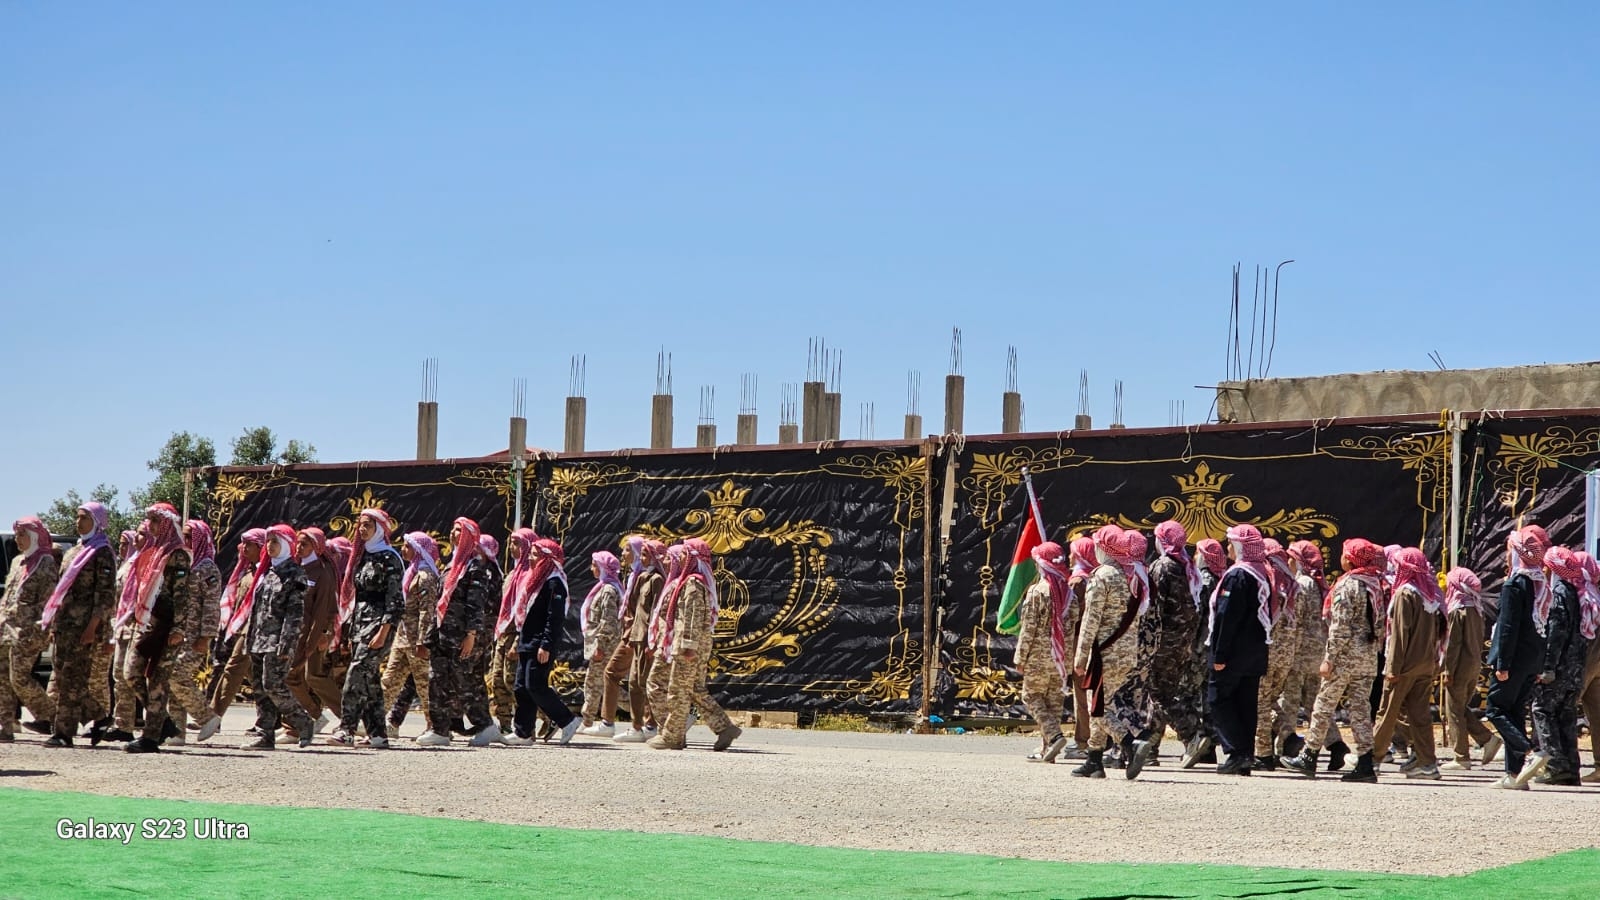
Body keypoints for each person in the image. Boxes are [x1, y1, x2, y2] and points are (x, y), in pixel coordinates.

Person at [1282, 538, 1387, 781]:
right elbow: (1381, 625)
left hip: (1345, 658)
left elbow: (1340, 627)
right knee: (1360, 710)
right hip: (1367, 657)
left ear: (1349, 560)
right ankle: (1366, 762)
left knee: (1323, 705)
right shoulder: (1375, 584)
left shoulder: (1348, 585)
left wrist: (1329, 659)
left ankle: (1309, 755)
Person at [1071, 525, 1156, 779]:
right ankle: (1094, 759)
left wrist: (1080, 657)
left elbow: (1091, 620)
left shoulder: (1102, 576)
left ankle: (1130, 742)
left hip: (1104, 652)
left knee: (1097, 706)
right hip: (1127, 652)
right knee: (1103, 702)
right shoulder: (1132, 575)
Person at [646, 538, 741, 751]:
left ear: (693, 558)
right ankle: (724, 727)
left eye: (683, 554)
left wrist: (688, 645)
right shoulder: (689, 582)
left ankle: (673, 736)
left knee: (678, 689)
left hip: (687, 644)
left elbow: (691, 618)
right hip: (688, 643)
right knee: (693, 688)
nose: (679, 557)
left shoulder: (693, 584)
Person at [40, 502, 118, 747]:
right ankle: (100, 716)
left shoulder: (102, 552)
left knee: (73, 680)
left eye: (84, 517)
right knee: (64, 678)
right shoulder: (74, 551)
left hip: (84, 627)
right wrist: (54, 625)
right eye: (77, 517)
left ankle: (63, 734)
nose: (78, 522)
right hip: (65, 625)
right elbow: (61, 591)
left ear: (97, 521)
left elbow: (105, 595)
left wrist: (93, 627)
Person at [327, 508, 404, 749]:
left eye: (368, 525)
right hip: (361, 625)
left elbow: (395, 601)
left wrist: (383, 632)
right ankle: (378, 734)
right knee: (369, 680)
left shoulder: (389, 558)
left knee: (356, 674)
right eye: (360, 524)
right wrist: (352, 632)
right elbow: (358, 597)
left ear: (380, 528)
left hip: (379, 625)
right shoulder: (363, 556)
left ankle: (347, 729)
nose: (362, 529)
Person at [117, 503, 190, 753]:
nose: (151, 525)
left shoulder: (177, 555)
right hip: (148, 624)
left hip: (168, 627)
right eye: (149, 521)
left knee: (158, 682)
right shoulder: (153, 552)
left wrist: (179, 629)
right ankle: (163, 722)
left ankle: (150, 737)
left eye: (156, 521)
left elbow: (182, 596)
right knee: (131, 673)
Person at [1369, 547, 1444, 780]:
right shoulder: (1429, 595)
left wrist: (1393, 667)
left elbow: (1400, 634)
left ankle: (1371, 758)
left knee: (1387, 712)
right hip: (1425, 664)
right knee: (1420, 716)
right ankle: (1427, 763)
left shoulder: (1405, 593)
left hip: (1405, 666)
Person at [1486, 525, 1550, 790]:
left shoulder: (1515, 584)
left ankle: (1530, 751)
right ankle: (1514, 774)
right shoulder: (1540, 583)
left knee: (1495, 708)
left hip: (1514, 658)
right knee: (1513, 711)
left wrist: (1502, 663)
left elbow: (1508, 627)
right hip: (1532, 659)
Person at [1206, 524, 1273, 776]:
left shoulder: (1238, 575)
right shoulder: (1261, 573)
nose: (1228, 548)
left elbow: (1227, 616)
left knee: (1218, 698)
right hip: (1254, 651)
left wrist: (1219, 654)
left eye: (1231, 543)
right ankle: (1245, 755)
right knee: (1245, 703)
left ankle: (1237, 751)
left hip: (1234, 652)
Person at [417, 518, 488, 747]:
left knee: (461, 683)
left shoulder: (474, 567)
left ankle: (485, 725)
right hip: (441, 633)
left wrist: (471, 635)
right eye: (453, 529)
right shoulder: (451, 565)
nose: (453, 533)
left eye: (459, 530)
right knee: (437, 681)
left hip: (459, 634)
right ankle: (440, 730)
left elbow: (475, 604)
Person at [503, 537, 580, 746]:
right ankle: (523, 732)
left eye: (535, 555)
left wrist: (546, 644)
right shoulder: (537, 581)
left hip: (540, 644)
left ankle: (567, 720)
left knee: (535, 686)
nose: (530, 557)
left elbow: (554, 618)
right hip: (528, 640)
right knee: (521, 687)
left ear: (547, 559)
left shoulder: (554, 583)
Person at [1143, 521, 1208, 763]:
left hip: (1163, 642)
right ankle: (1148, 750)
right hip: (1182, 642)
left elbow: (1153, 608)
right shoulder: (1187, 566)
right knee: (1162, 692)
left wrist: (1146, 641)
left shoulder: (1163, 566)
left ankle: (1192, 735)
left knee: (1159, 693)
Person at [244, 524, 313, 750]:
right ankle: (265, 735)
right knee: (260, 690)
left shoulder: (294, 573)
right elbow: (257, 609)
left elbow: (295, 614)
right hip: (259, 639)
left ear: (286, 544)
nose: (270, 546)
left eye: (275, 541)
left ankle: (303, 722)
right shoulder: (267, 572)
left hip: (278, 641)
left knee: (273, 685)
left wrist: (286, 643)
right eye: (268, 541)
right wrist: (249, 638)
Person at [1525, 546, 1585, 786]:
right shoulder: (1575, 593)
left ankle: (1555, 765)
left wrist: (1547, 667)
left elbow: (1556, 634)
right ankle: (1570, 767)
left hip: (1559, 669)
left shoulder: (1558, 594)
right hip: (1575, 669)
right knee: (1565, 716)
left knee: (1542, 710)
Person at [1, 517, 61, 741]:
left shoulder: (45, 562)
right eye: (17, 535)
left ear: (34, 537)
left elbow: (49, 600)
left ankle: (52, 715)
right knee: (2, 678)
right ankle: (6, 726)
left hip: (29, 631)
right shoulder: (18, 562)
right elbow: (9, 595)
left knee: (19, 677)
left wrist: (36, 627)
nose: (18, 539)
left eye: (22, 535)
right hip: (7, 628)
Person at [164, 520, 224, 744]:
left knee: (177, 675)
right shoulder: (184, 564)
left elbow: (211, 605)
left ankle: (206, 717)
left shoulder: (206, 568)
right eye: (183, 536)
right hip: (179, 633)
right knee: (173, 680)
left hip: (195, 635)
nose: (185, 540)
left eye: (190, 536)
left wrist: (206, 637)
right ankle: (177, 731)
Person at [1015, 541, 1072, 762]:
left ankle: (1054, 736)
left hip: (1039, 655)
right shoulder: (1069, 591)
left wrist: (1020, 657)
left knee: (1031, 696)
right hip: (1062, 656)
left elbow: (1028, 628)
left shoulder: (1038, 591)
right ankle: (1048, 749)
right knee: (1054, 703)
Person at [1438, 566, 1497, 770]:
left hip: (1459, 665)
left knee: (1453, 710)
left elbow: (1453, 643)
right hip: (1473, 664)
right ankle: (1486, 739)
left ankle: (1461, 755)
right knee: (1459, 707)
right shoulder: (1477, 609)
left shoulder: (1458, 609)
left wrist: (1448, 670)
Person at [382, 531, 439, 735]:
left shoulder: (425, 577)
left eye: (408, 546)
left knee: (424, 685)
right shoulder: (411, 572)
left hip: (417, 641)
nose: (403, 550)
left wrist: (423, 641)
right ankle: (377, 722)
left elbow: (427, 611)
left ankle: (435, 726)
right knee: (389, 680)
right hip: (403, 637)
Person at [1251, 538, 1301, 770]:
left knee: (1260, 703)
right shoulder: (1292, 582)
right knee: (1269, 700)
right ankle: (1288, 735)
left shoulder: (1267, 580)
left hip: (1267, 651)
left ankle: (1263, 755)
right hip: (1286, 653)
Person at [285, 527, 340, 735]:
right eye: (298, 543)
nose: (299, 547)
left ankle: (348, 718)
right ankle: (312, 716)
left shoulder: (322, 573)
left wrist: (320, 635)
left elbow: (324, 609)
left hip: (313, 634)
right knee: (290, 677)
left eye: (304, 544)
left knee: (312, 676)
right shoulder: (296, 569)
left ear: (316, 547)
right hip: (294, 633)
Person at [611, 538, 667, 743]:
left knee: (646, 682)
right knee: (634, 682)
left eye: (645, 555)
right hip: (637, 637)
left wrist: (653, 641)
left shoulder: (657, 580)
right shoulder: (642, 577)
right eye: (641, 554)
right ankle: (637, 726)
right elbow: (634, 609)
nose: (641, 558)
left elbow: (656, 612)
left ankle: (652, 724)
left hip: (647, 639)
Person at [208, 529, 267, 722]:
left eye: (249, 545)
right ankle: (276, 720)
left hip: (253, 630)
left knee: (233, 669)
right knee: (257, 677)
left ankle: (213, 716)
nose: (244, 548)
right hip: (239, 628)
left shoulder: (266, 573)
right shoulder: (246, 571)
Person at [488, 528, 536, 738]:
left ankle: (539, 718)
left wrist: (518, 640)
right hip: (503, 635)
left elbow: (528, 611)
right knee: (497, 680)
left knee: (514, 682)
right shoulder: (512, 575)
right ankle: (505, 724)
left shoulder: (532, 576)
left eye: (517, 544)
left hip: (518, 636)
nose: (512, 548)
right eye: (511, 543)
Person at [460, 532, 502, 743]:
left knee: (464, 674)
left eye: (478, 547)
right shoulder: (482, 570)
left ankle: (482, 722)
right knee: (475, 678)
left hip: (479, 632)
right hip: (479, 631)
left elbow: (482, 606)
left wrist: (471, 633)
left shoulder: (487, 573)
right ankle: (482, 722)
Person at [578, 550, 625, 736]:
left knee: (594, 683)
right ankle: (648, 711)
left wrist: (600, 644)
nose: (592, 569)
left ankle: (587, 720)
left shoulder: (608, 591)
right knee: (604, 684)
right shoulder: (604, 588)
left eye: (594, 565)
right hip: (602, 644)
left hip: (604, 645)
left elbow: (608, 620)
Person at [1575, 551, 1600, 783]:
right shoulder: (1596, 592)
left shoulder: (1581, 595)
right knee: (1596, 712)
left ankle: (1560, 762)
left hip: (1585, 658)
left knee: (1563, 706)